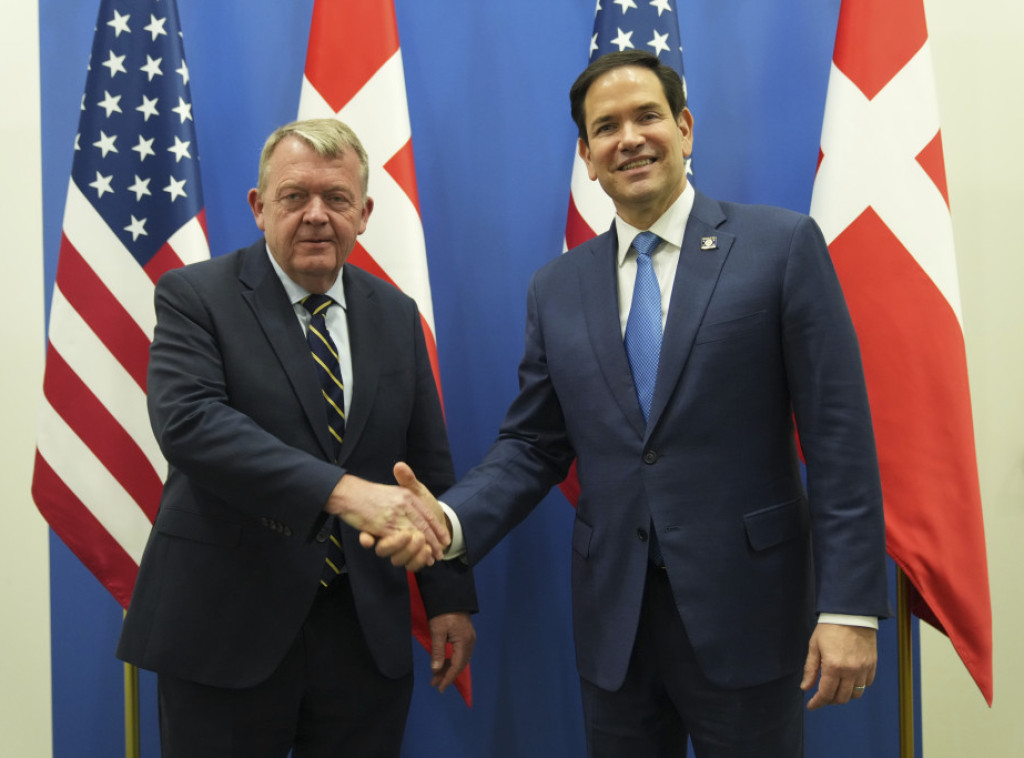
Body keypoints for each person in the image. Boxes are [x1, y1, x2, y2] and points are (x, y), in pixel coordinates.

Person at [393, 51, 889, 756]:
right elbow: (533, 446)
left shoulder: (779, 247)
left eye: (647, 116)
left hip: (750, 612)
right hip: (615, 625)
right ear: (587, 157)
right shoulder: (556, 287)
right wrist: (448, 521)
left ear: (684, 128)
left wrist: (850, 607)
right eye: (606, 127)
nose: (629, 139)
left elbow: (838, 436)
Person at [117, 118, 476, 758]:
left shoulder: (395, 314)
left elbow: (426, 465)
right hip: (225, 625)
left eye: (336, 198)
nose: (316, 215)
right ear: (260, 207)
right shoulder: (196, 296)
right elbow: (190, 424)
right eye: (294, 196)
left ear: (363, 213)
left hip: (361, 632)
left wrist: (448, 597)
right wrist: (344, 492)